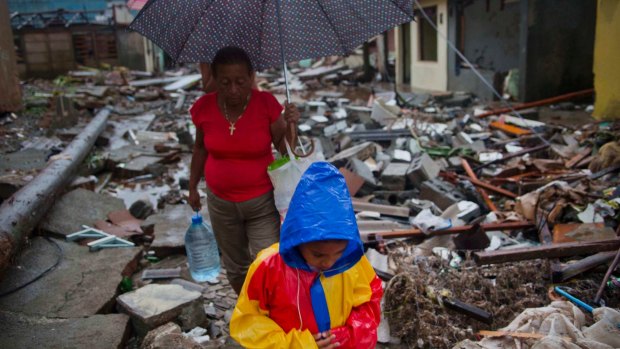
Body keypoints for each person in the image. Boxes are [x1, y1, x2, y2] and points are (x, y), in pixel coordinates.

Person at [230, 162, 383, 349]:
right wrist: (298, 345)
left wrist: (347, 336)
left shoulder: (353, 262)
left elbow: (370, 303)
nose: (328, 263)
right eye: (318, 254)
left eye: (338, 253)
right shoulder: (268, 267)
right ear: (297, 240)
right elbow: (248, 322)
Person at [188, 46, 300, 294]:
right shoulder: (204, 107)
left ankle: (270, 311)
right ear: (214, 79)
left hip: (261, 202)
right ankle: (248, 313)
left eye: (240, 81)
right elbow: (199, 149)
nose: (234, 90)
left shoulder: (266, 104)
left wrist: (293, 125)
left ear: (251, 77)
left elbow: (284, 151)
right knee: (236, 267)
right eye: (225, 82)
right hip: (220, 203)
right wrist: (192, 187)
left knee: (267, 261)